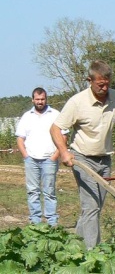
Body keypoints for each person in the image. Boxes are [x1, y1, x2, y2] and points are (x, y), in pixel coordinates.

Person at [50, 60, 115, 248]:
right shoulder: (77, 102)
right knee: (91, 207)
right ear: (89, 80)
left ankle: (73, 245)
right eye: (100, 84)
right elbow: (55, 128)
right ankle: (92, 255)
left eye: (107, 84)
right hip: (82, 158)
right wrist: (64, 152)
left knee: (95, 207)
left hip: (105, 159)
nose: (104, 88)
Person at [15, 87, 65, 225]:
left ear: (46, 99)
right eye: (37, 99)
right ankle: (35, 222)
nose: (40, 101)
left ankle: (51, 222)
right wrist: (26, 155)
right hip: (31, 160)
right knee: (32, 191)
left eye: (42, 99)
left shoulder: (55, 114)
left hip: (49, 159)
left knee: (49, 191)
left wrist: (55, 156)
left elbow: (63, 136)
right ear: (33, 100)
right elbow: (20, 138)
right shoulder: (26, 116)